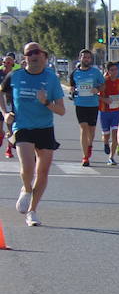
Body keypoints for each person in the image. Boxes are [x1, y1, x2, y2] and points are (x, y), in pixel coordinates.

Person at [1, 43, 67, 226]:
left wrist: (46, 102)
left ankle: (32, 211)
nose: (34, 55)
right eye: (30, 53)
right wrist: (6, 113)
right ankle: (26, 188)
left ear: (44, 56)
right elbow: (1, 93)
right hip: (22, 126)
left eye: (37, 52)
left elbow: (61, 110)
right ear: (25, 58)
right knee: (27, 166)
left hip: (45, 128)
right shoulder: (15, 76)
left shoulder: (51, 78)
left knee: (43, 171)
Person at [68, 49, 104, 166]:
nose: (86, 59)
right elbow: (72, 86)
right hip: (80, 104)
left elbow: (103, 85)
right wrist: (71, 90)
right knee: (83, 128)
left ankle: (90, 145)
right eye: (84, 57)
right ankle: (85, 157)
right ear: (80, 58)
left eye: (88, 58)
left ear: (91, 59)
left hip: (93, 104)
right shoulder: (75, 73)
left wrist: (97, 89)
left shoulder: (96, 72)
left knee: (91, 130)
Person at [98, 60, 119, 164]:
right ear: (108, 71)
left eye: (116, 70)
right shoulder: (104, 82)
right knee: (106, 135)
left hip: (116, 112)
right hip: (104, 112)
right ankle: (105, 143)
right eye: (112, 70)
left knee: (115, 135)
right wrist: (104, 99)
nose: (114, 72)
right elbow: (96, 95)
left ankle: (111, 157)